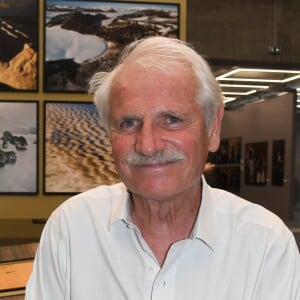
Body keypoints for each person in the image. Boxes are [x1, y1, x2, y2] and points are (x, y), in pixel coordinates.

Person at [25, 36, 300, 299]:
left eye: (171, 119)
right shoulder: (72, 229)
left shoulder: (266, 245)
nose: (148, 145)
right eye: (128, 123)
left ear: (213, 128)